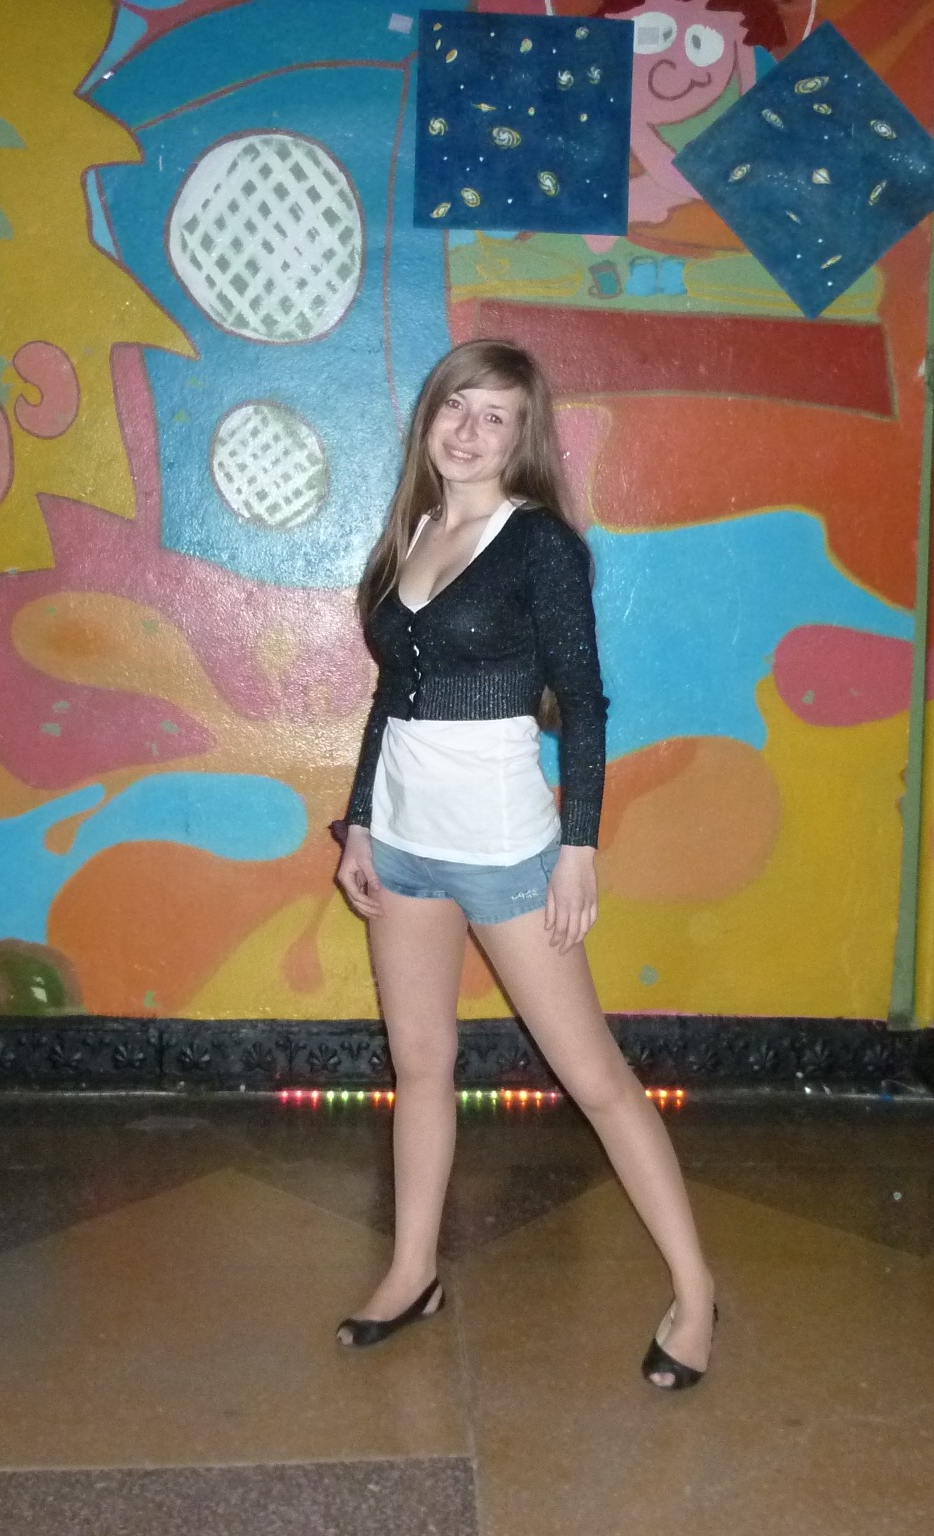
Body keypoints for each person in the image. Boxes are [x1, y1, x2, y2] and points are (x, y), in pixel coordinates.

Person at [332, 338, 716, 1390]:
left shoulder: (538, 543)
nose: (467, 430)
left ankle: (694, 1296)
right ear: (429, 416)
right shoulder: (413, 531)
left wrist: (577, 846)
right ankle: (412, 1271)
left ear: (522, 437)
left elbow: (583, 700)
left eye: (494, 416)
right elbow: (391, 697)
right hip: (403, 844)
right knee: (419, 1064)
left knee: (594, 1079)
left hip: (504, 847)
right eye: (455, 406)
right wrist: (359, 822)